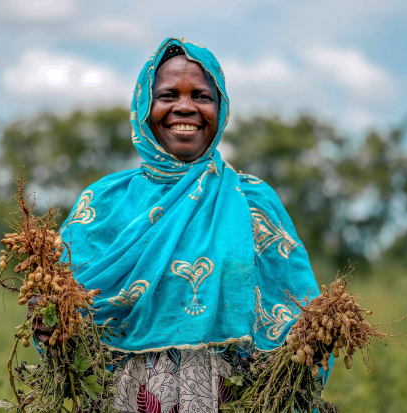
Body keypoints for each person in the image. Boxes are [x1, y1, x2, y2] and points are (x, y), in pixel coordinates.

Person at [35, 37, 333, 413]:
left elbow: (297, 310)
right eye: (168, 95)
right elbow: (63, 307)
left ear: (220, 107)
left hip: (235, 398)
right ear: (145, 106)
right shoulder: (105, 202)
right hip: (128, 397)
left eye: (202, 96)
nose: (185, 107)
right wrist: (50, 321)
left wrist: (315, 341)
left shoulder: (251, 200)